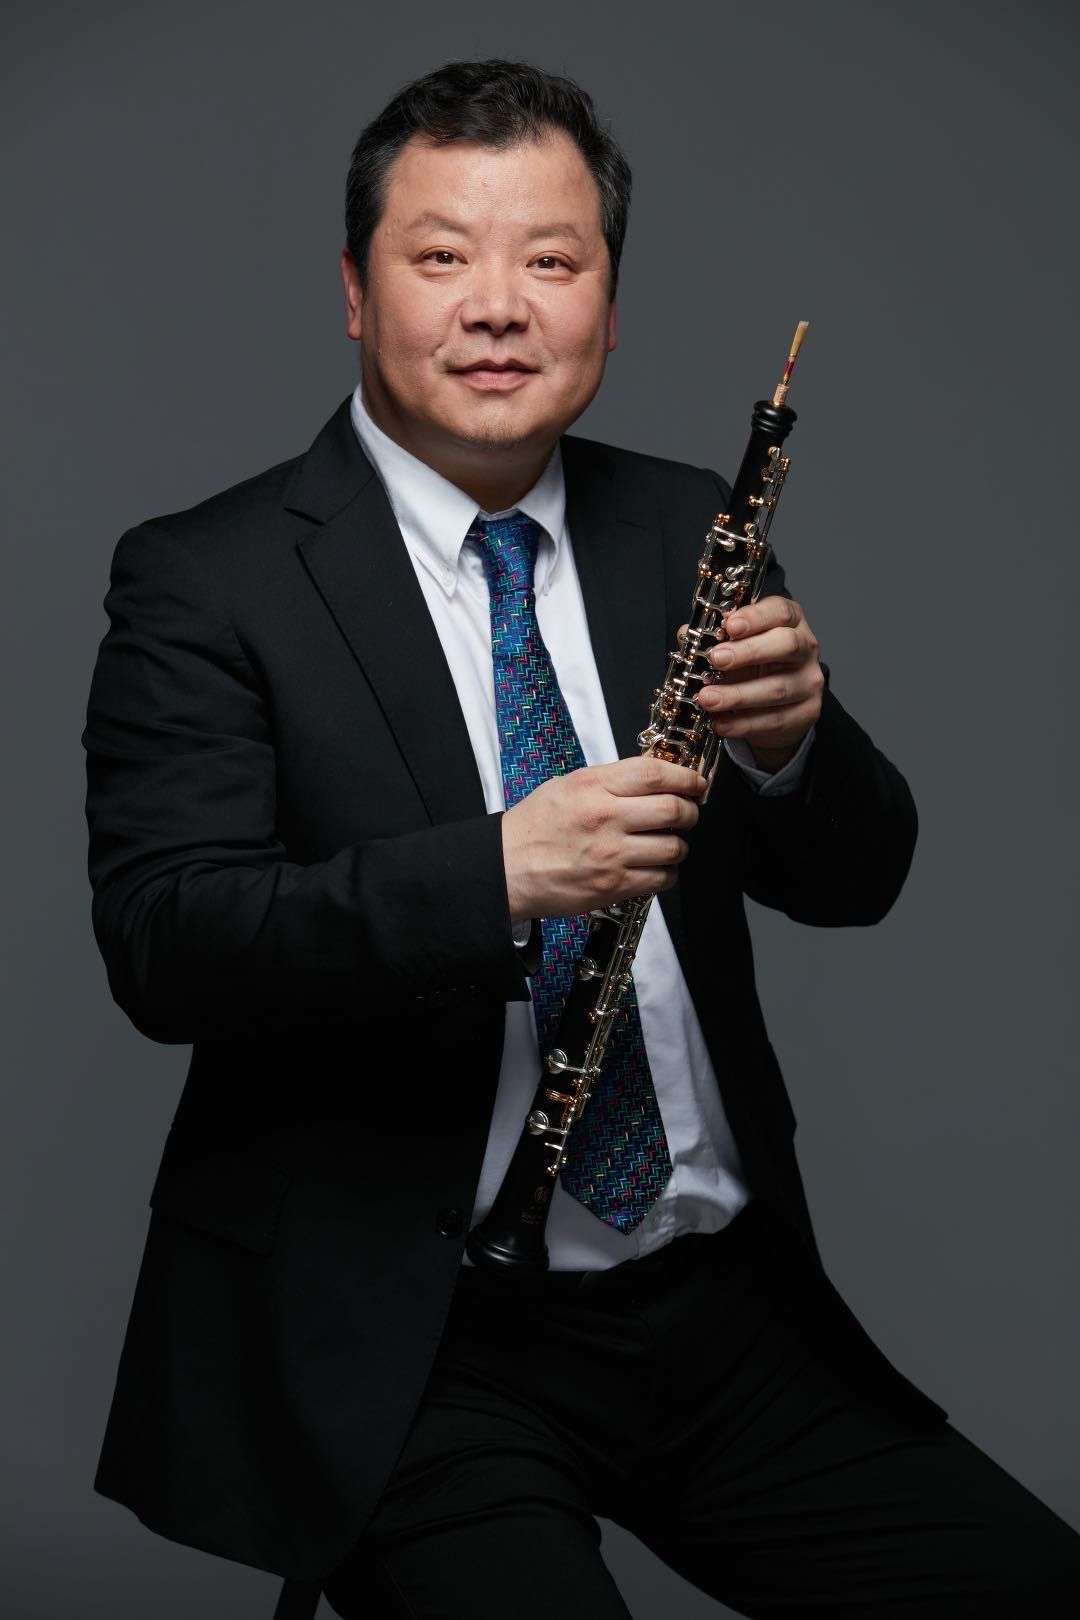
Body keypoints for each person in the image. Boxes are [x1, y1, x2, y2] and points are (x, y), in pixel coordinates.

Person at [83, 58, 1080, 1619]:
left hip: (719, 1314)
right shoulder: (206, 578)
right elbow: (169, 942)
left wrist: (792, 745)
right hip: (418, 1342)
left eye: (551, 260)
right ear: (354, 291)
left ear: (608, 309)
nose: (499, 306)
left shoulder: (685, 527)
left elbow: (859, 879)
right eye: (441, 256)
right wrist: (497, 876)